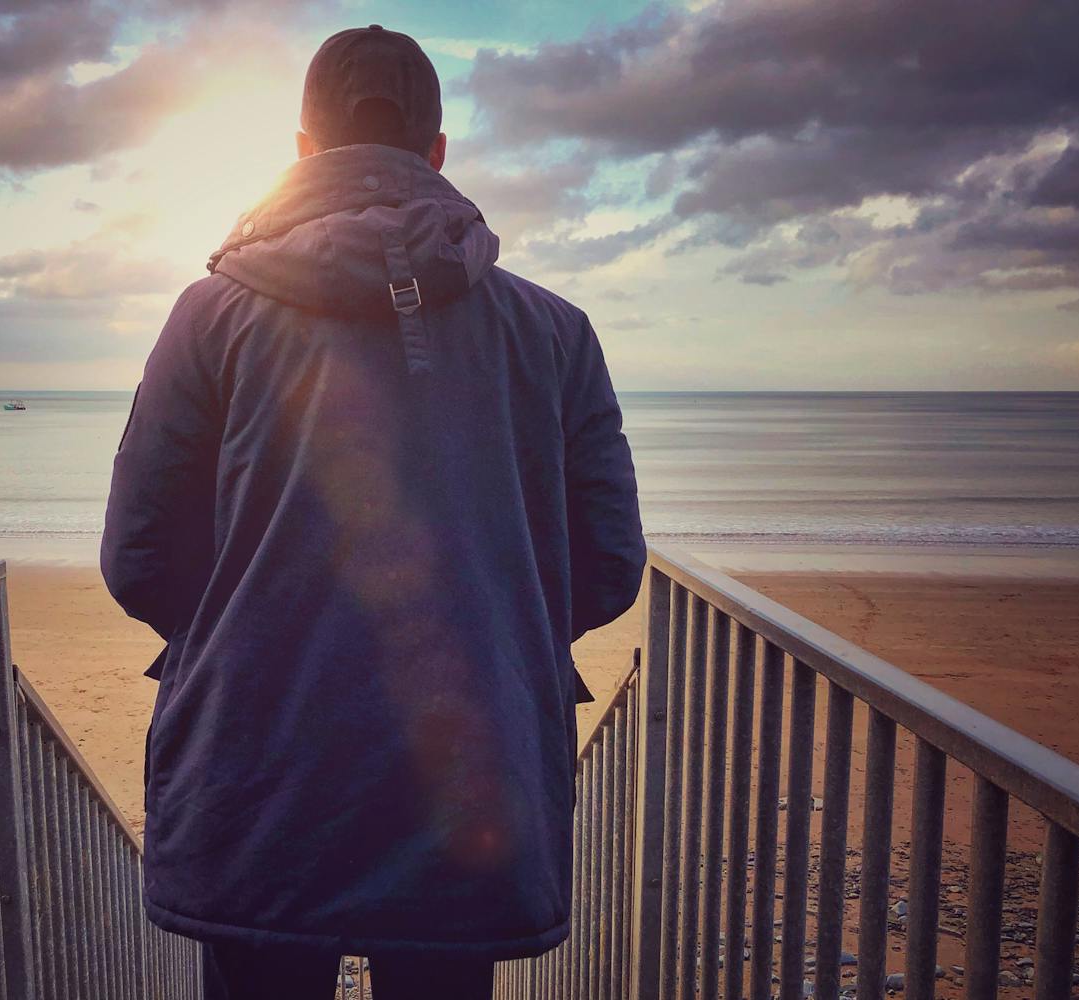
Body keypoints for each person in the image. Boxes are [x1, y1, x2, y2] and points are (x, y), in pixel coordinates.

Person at [101, 24, 645, 1000]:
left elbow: (139, 555)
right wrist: (487, 631)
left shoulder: (210, 316)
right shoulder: (555, 332)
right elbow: (606, 564)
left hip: (256, 767)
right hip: (469, 776)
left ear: (301, 152)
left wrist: (243, 628)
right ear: (438, 154)